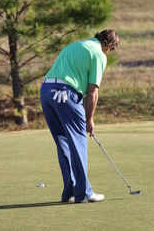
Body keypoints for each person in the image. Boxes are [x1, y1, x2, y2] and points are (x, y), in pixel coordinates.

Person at [40, 29, 120, 203]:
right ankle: (83, 192)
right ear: (109, 45)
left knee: (64, 144)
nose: (109, 52)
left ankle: (69, 191)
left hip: (46, 91)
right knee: (78, 143)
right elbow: (92, 92)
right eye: (111, 49)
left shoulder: (75, 45)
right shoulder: (99, 54)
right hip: (65, 94)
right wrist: (89, 119)